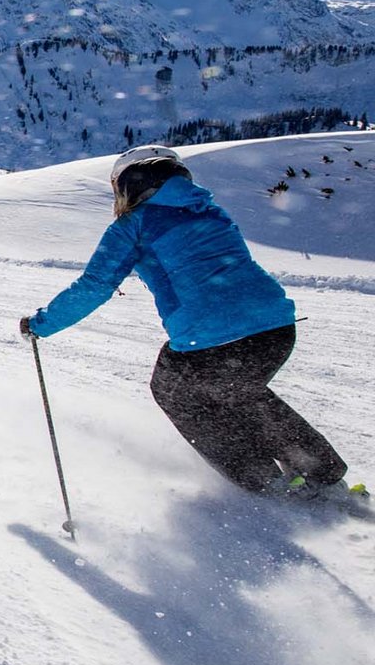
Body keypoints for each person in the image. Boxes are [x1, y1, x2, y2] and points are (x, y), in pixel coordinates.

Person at [22, 145, 347, 497]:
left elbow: (95, 286)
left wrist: (42, 324)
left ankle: (264, 480)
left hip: (209, 340)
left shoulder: (133, 226)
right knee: (237, 391)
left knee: (176, 392)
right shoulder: (209, 210)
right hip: (275, 329)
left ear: (131, 184)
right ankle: (321, 470)